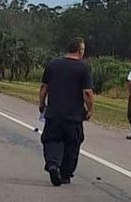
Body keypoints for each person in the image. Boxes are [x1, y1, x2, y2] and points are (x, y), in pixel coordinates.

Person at [39, 37, 94, 186]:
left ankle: (53, 164)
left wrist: (42, 104)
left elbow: (44, 87)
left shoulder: (53, 64)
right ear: (80, 50)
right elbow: (87, 92)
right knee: (72, 144)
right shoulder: (84, 68)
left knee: (51, 140)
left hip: (54, 112)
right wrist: (90, 109)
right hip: (73, 115)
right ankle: (65, 174)